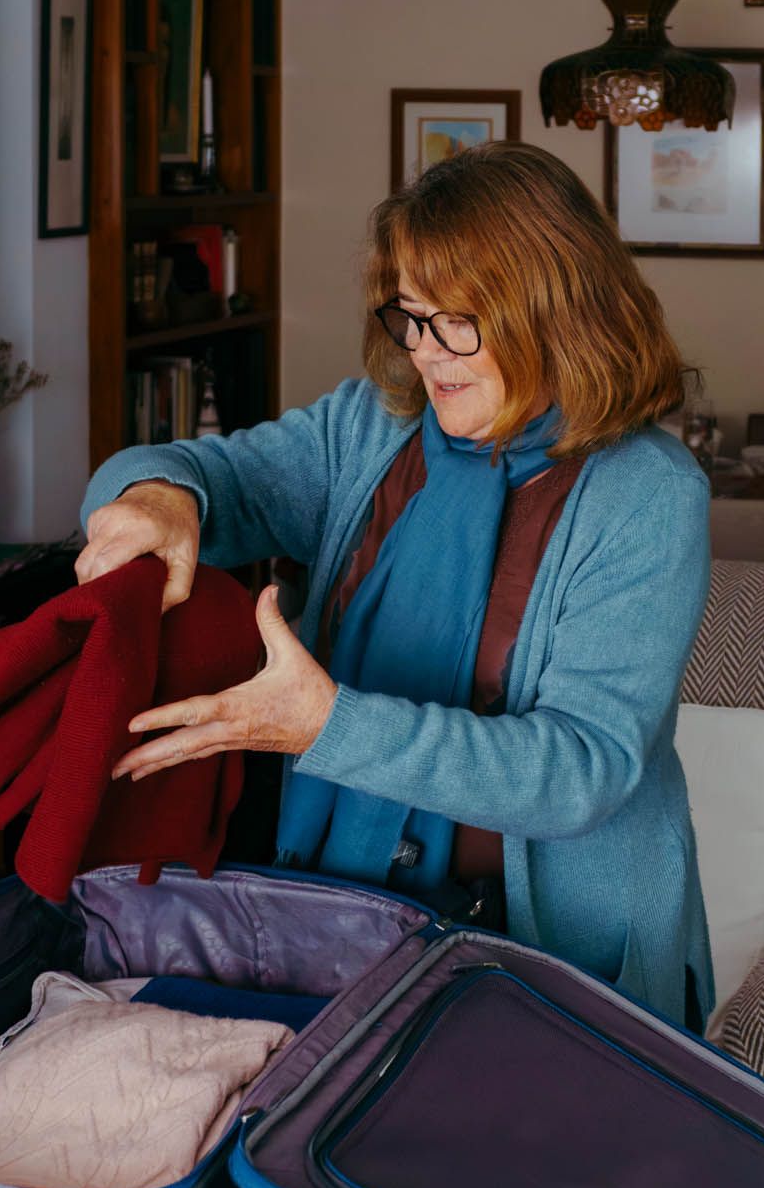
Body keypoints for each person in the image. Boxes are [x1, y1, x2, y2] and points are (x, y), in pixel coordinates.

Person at [75, 141, 715, 1027]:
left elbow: (581, 772)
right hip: (337, 921)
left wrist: (325, 726)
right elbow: (199, 474)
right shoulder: (370, 430)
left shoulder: (648, 494)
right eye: (412, 318)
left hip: (553, 965)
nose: (427, 354)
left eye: (460, 322)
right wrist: (159, 500)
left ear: (555, 311)